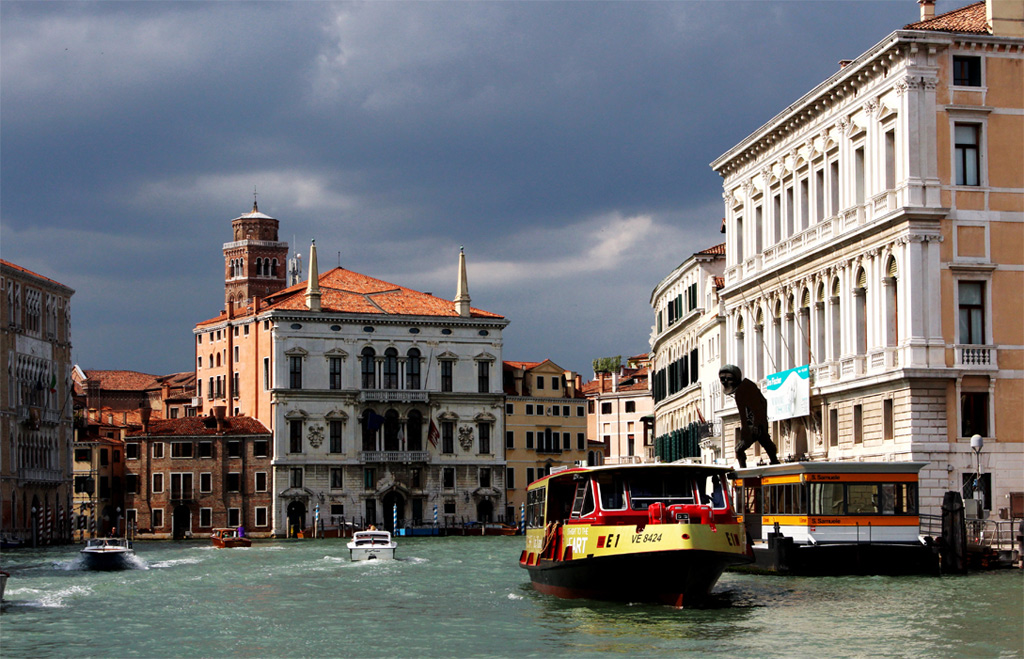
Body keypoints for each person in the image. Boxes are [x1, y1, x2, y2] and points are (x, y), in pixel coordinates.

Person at [719, 364, 779, 468]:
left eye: (728, 378)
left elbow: (758, 406)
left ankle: (744, 471)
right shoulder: (741, 390)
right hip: (752, 425)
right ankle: (774, 461)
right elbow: (744, 413)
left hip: (755, 425)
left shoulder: (747, 388)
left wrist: (755, 425)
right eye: (722, 378)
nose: (725, 381)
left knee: (740, 449)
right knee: (766, 443)